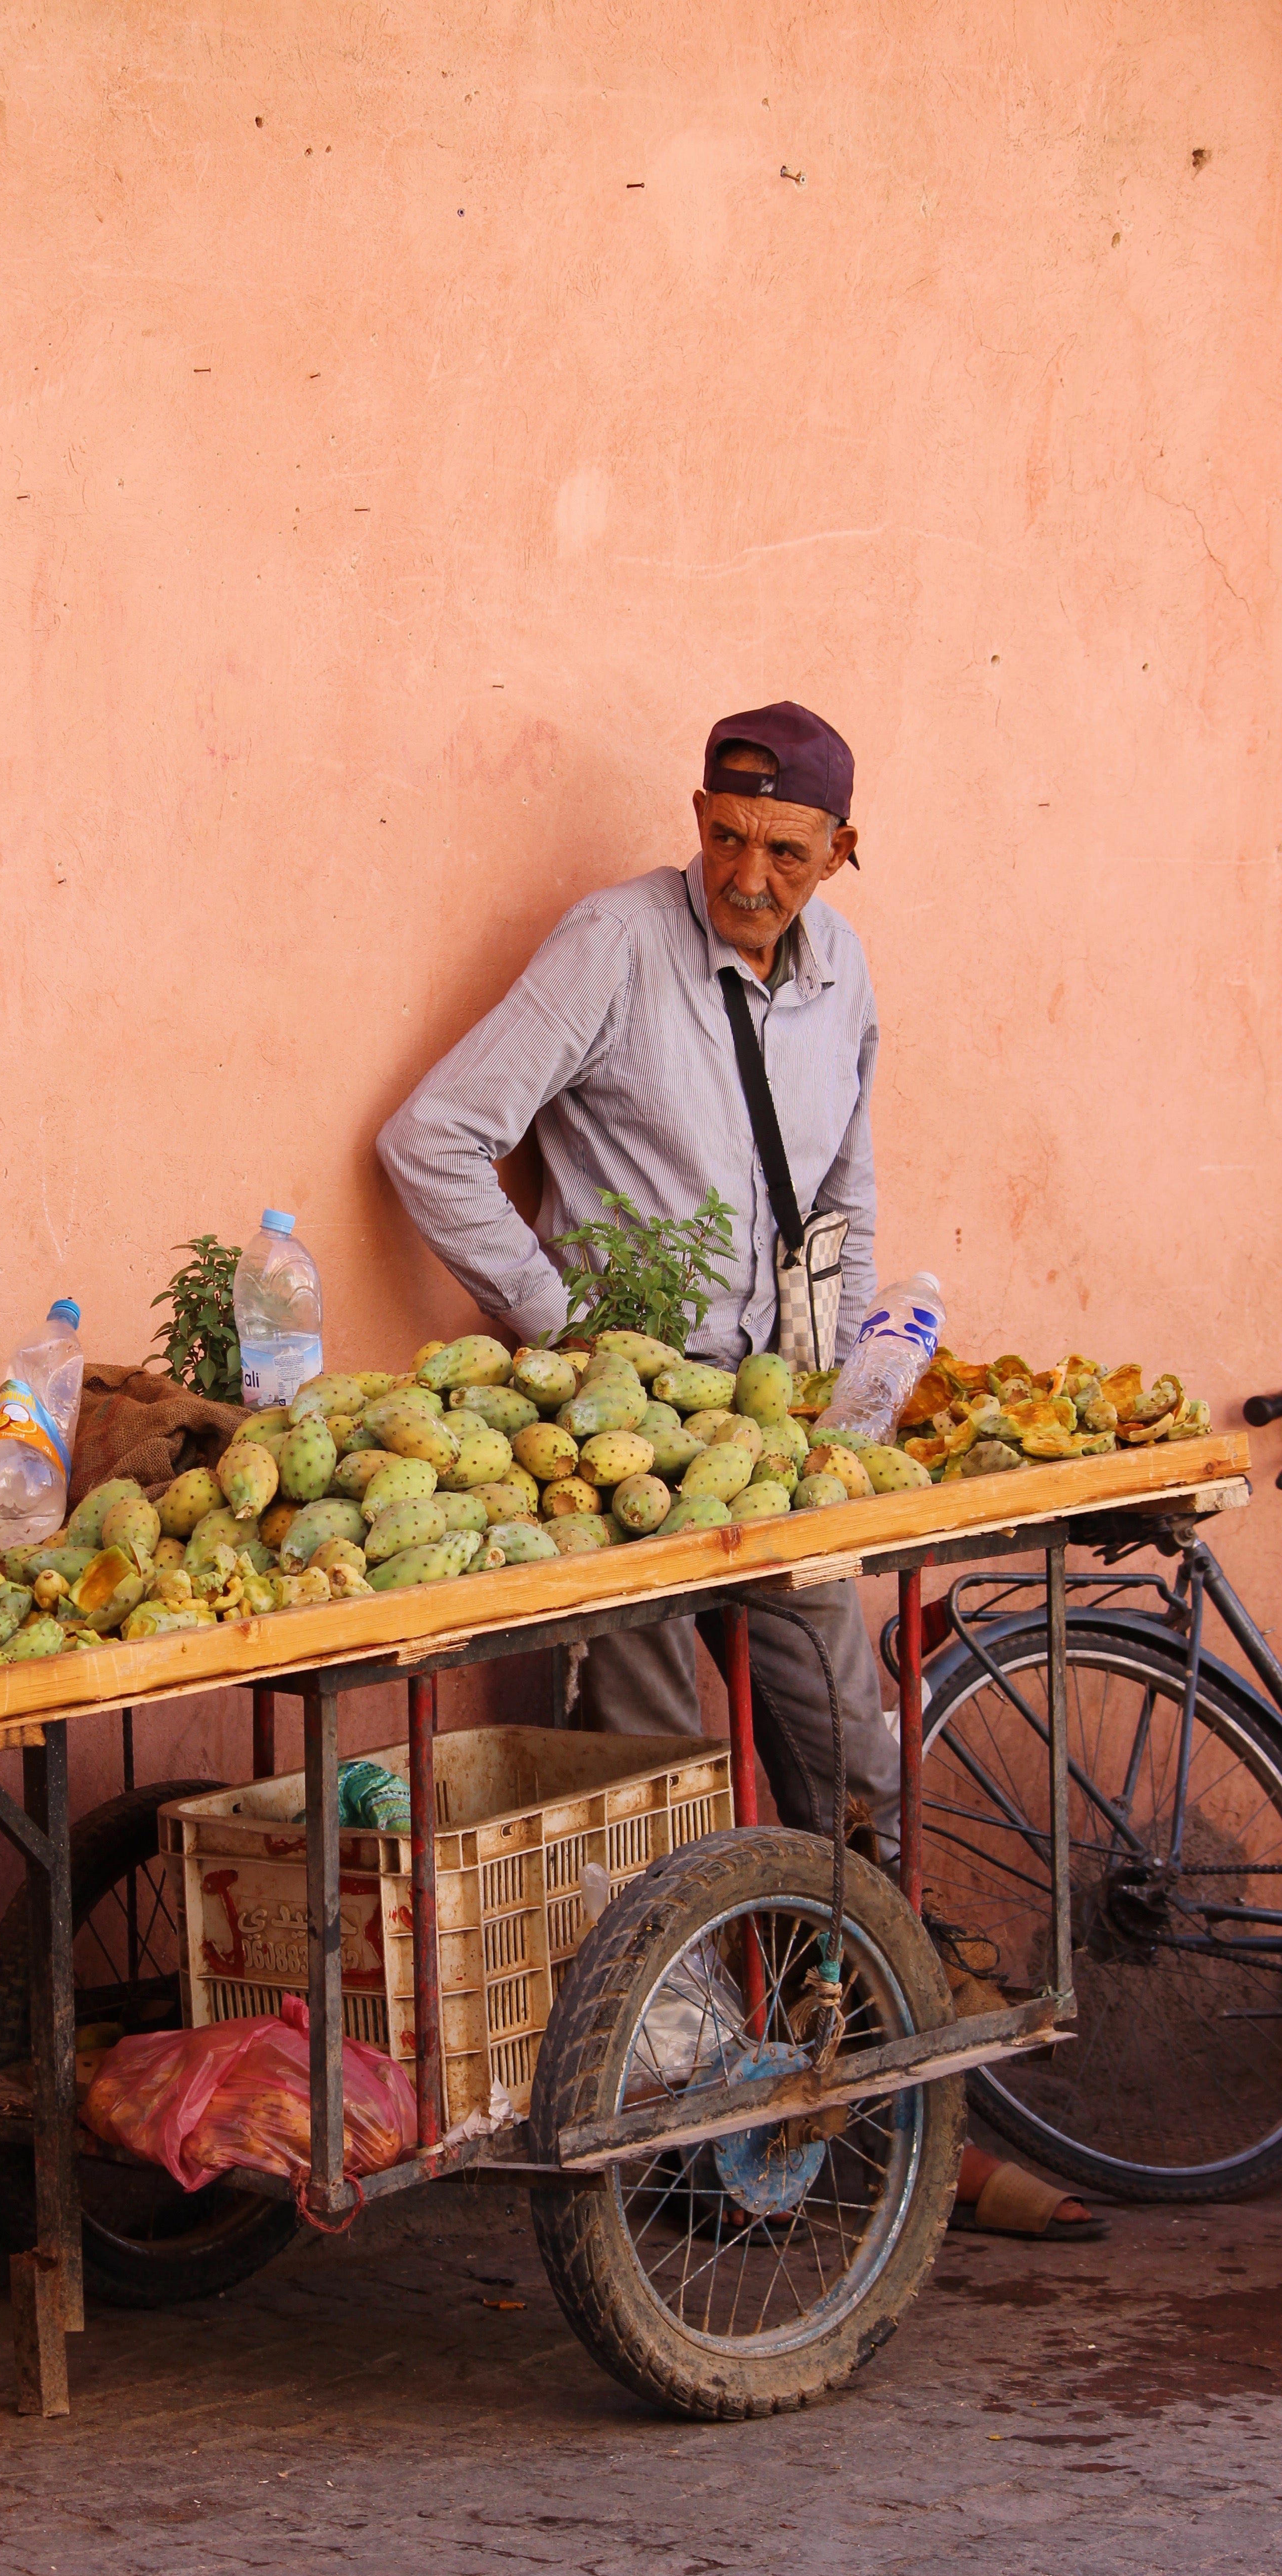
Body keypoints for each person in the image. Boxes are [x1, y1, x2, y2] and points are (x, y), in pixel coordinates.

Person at [378, 698, 1104, 2241]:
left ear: (846, 849)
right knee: (655, 1774)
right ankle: (682, 2128)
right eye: (723, 834)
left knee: (844, 1746)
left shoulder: (841, 981)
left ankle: (892, 2109)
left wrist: (844, 1386)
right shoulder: (613, 947)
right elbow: (431, 1138)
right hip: (627, 1443)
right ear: (695, 817)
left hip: (772, 1439)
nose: (747, 873)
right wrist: (567, 1329)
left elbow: (842, 1187)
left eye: (784, 848)